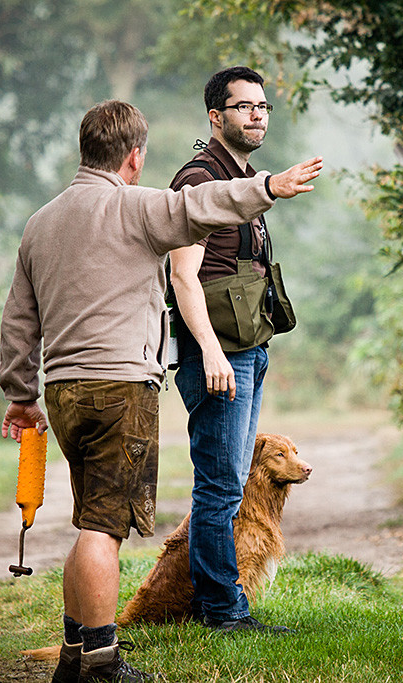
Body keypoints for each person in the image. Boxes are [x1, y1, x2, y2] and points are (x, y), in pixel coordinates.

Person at [0, 99, 322, 682]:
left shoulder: (40, 222)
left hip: (63, 391)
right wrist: (270, 185)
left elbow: (19, 319)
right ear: (134, 155)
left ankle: (74, 658)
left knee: (89, 521)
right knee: (105, 528)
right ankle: (101, 662)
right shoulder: (137, 207)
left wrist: (21, 394)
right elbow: (204, 202)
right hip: (120, 387)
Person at [167, 66, 293, 634]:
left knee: (229, 484)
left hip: (249, 348)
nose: (257, 115)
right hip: (220, 356)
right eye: (244, 106)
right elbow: (183, 276)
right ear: (216, 117)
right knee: (218, 488)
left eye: (262, 106)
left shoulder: (240, 178)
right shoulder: (199, 179)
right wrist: (211, 353)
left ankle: (215, 601)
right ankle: (222, 612)